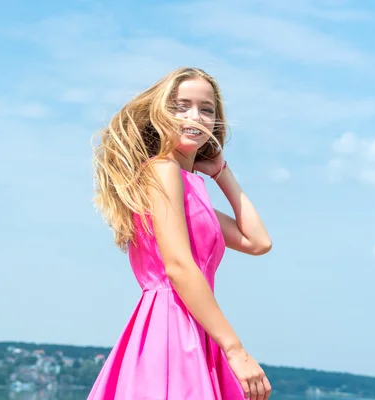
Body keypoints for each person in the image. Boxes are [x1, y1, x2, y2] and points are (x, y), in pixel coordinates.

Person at [88, 67, 273, 400]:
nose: (195, 116)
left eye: (206, 109)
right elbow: (178, 265)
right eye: (181, 105)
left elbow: (258, 242)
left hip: (198, 325)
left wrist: (221, 173)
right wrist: (235, 350)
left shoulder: (188, 187)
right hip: (172, 326)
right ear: (160, 112)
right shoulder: (162, 170)